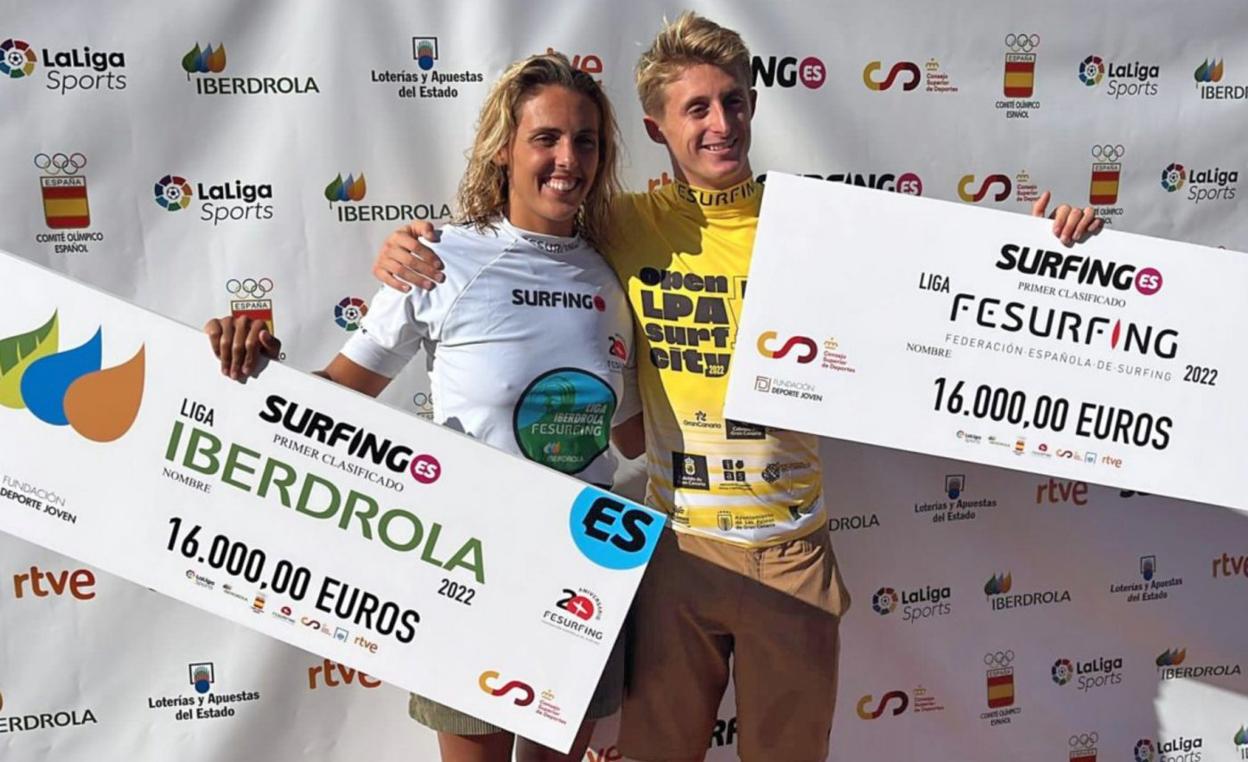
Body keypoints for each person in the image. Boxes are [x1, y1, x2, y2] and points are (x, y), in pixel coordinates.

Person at [368, 14, 1104, 762]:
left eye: (734, 102)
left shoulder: (819, 223)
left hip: (793, 554)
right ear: (656, 129)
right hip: (672, 555)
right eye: (697, 108)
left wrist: (1049, 255)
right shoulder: (617, 227)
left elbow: (951, 286)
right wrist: (412, 248)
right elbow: (529, 243)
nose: (721, 125)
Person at [204, 52, 642, 762]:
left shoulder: (611, 275)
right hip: (468, 561)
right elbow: (339, 394)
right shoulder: (441, 260)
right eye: (546, 138)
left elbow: (634, 435)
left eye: (585, 141)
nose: (569, 159)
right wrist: (255, 365)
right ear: (503, 149)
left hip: (581, 565)